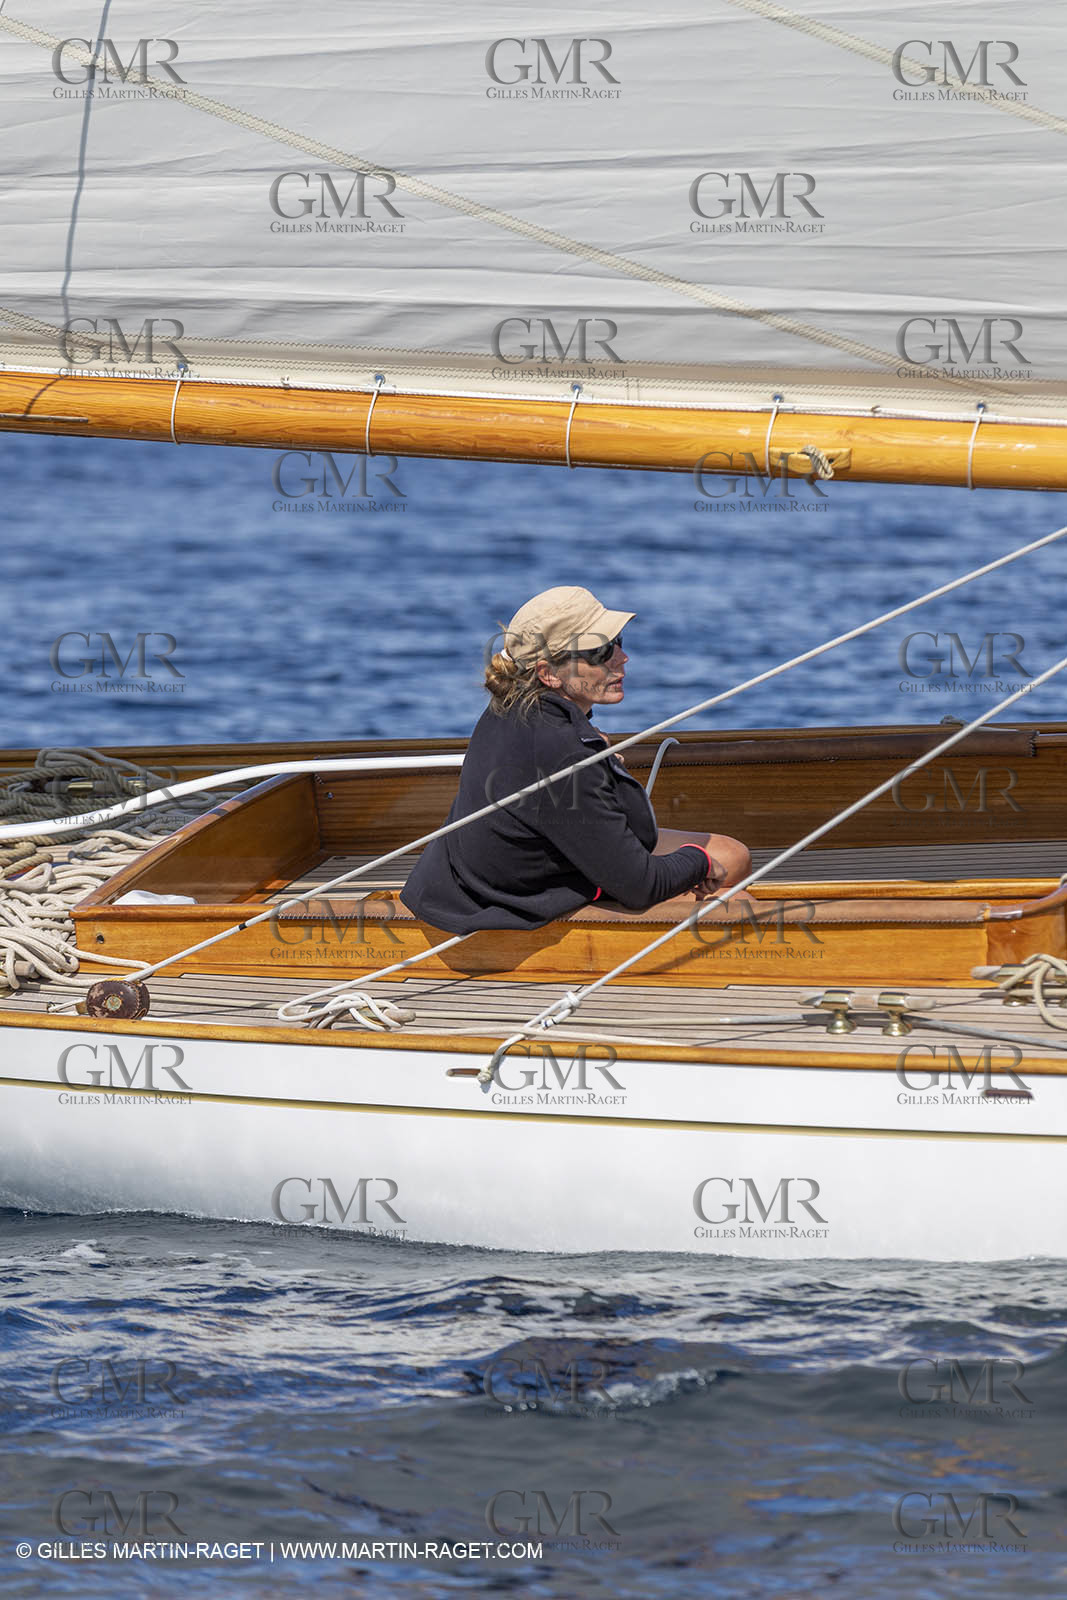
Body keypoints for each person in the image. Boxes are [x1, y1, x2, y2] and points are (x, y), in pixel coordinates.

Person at [400, 586, 751, 934]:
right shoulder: (563, 751)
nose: (621, 658)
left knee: (732, 854)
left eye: (617, 642)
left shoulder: (512, 705)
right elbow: (639, 886)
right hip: (514, 896)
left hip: (475, 880)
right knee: (731, 872)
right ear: (548, 674)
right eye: (599, 652)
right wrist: (700, 862)